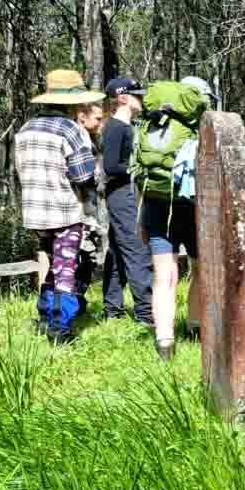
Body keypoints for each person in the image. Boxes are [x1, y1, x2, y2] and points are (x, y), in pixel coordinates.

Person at [14, 68, 104, 344]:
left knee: (52, 265)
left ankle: (44, 316)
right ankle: (60, 329)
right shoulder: (70, 130)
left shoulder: (25, 129)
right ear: (73, 102)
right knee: (66, 267)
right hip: (63, 210)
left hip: (34, 211)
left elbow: (20, 170)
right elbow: (83, 176)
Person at [140, 74, 211, 362]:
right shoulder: (197, 126)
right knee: (200, 269)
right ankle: (195, 328)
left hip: (157, 207)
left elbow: (140, 174)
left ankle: (165, 343)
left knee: (164, 277)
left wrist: (142, 221)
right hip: (192, 208)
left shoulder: (151, 124)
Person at [97, 77, 154, 327]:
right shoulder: (116, 128)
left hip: (128, 193)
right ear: (122, 98)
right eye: (136, 95)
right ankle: (146, 314)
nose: (141, 99)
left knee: (119, 251)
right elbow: (110, 166)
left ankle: (113, 309)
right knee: (137, 249)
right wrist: (138, 168)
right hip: (122, 195)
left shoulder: (130, 127)